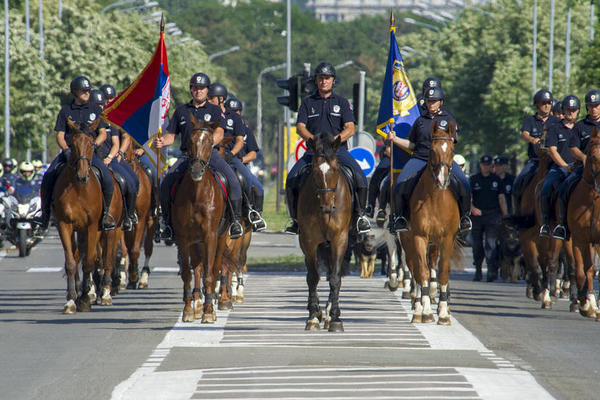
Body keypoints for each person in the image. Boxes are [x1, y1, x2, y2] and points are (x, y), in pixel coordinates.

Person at [154, 72, 243, 240]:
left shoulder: (215, 110)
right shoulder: (181, 111)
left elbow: (219, 133)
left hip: (211, 155)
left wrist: (207, 145)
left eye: (201, 88)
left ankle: (235, 221)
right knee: (166, 184)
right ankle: (166, 224)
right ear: (191, 90)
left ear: (207, 91)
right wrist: (162, 142)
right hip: (187, 156)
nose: (198, 91)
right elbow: (171, 136)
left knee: (233, 181)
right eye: (195, 88)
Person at [285, 62, 371, 235]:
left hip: (337, 152)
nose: (324, 81)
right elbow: (300, 127)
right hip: (313, 152)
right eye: (320, 78)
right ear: (316, 81)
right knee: (292, 179)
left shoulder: (342, 103)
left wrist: (335, 142)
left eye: (327, 78)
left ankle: (360, 216)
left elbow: (350, 128)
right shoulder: (307, 103)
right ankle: (295, 220)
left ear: (333, 80)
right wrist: (313, 140)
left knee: (360, 177)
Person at [34, 76, 115, 232]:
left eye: (88, 90)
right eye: (83, 90)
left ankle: (105, 215)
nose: (87, 93)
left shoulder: (96, 110)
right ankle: (44, 215)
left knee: (107, 178)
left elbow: (103, 134)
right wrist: (66, 150)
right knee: (48, 176)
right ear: (74, 92)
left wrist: (92, 146)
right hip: (70, 153)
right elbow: (59, 135)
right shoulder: (66, 111)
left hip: (90, 153)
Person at [387, 86, 471, 233]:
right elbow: (412, 144)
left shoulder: (448, 119)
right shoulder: (420, 121)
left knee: (464, 183)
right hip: (420, 158)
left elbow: (453, 140)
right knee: (400, 183)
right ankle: (399, 218)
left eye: (434, 101)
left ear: (441, 102)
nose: (431, 104)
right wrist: (395, 139)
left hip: (442, 160)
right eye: (428, 101)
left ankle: (464, 217)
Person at [208, 88, 266, 231]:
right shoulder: (207, 115)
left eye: (211, 97)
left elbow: (243, 144)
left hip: (232, 157)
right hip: (210, 155)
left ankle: (253, 213)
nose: (208, 100)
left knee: (250, 182)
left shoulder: (234, 119)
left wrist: (233, 154)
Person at [553, 90, 600, 240]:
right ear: (586, 108)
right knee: (565, 186)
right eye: (590, 106)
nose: (594, 109)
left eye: (596, 105)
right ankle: (562, 225)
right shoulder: (580, 126)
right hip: (585, 168)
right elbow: (573, 147)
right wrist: (584, 157)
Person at [92, 88, 139, 231]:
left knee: (130, 181)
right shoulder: (87, 121)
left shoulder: (111, 120)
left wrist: (112, 157)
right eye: (97, 104)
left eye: (102, 104)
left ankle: (129, 215)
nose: (100, 107)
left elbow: (118, 142)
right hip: (91, 159)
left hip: (110, 159)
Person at [512, 89, 560, 215]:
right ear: (537, 104)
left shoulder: (556, 121)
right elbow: (524, 134)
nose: (547, 105)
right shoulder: (529, 120)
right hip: (535, 161)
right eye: (543, 102)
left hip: (553, 161)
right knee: (519, 181)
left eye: (549, 103)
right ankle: (517, 214)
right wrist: (533, 140)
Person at [538, 95, 579, 238]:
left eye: (574, 110)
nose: (571, 113)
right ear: (563, 111)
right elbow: (552, 150)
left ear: (578, 111)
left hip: (580, 167)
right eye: (568, 110)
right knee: (546, 187)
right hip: (560, 167)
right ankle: (546, 223)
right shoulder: (555, 128)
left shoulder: (582, 128)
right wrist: (564, 166)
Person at [226, 97, 267, 232]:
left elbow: (253, 154)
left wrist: (241, 161)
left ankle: (255, 214)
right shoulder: (222, 127)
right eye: (232, 111)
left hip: (239, 161)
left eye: (237, 111)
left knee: (258, 186)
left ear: (241, 112)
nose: (235, 113)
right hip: (224, 160)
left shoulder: (246, 130)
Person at [470, 155, 508, 282]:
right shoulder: (474, 179)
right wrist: (472, 208)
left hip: (493, 215)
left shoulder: (496, 179)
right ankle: (478, 270)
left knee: (491, 244)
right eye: (484, 164)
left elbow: (501, 198)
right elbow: (467, 198)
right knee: (476, 245)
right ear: (480, 165)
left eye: (488, 165)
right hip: (477, 216)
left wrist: (505, 215)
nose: (486, 167)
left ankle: (491, 270)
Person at [366, 144, 390, 221]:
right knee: (376, 176)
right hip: (391, 157)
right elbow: (388, 150)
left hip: (411, 156)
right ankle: (372, 206)